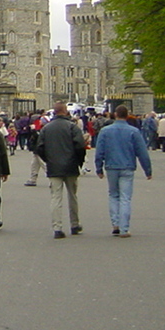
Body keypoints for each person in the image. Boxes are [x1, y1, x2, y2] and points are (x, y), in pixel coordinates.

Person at [94, 105, 153, 237]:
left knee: (113, 195)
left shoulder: (105, 131)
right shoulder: (133, 131)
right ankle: (124, 228)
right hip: (127, 166)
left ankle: (115, 224)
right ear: (127, 115)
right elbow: (142, 152)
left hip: (111, 166)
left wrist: (99, 168)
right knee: (125, 198)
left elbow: (99, 151)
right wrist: (147, 170)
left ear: (115, 114)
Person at [34, 102, 86, 239]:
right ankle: (75, 224)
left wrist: (48, 159)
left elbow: (39, 147)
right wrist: (78, 162)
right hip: (71, 165)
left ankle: (57, 227)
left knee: (56, 197)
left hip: (54, 165)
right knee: (72, 196)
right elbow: (80, 146)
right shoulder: (72, 127)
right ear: (65, 111)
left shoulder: (47, 128)